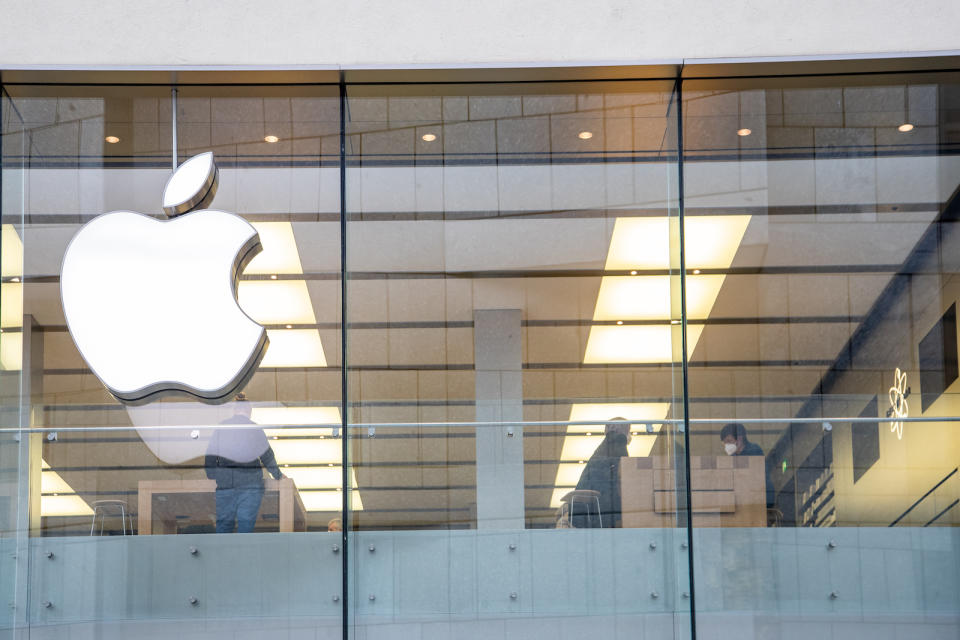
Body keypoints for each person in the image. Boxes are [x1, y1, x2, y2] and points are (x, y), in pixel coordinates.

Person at [204, 393, 283, 533]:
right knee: (245, 526)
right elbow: (267, 455)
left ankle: (222, 554)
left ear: (234, 411)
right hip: (250, 483)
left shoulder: (222, 427)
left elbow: (210, 455)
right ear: (249, 412)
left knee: (224, 525)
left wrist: (214, 475)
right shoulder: (254, 428)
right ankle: (243, 553)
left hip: (226, 484)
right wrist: (278, 475)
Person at [573, 418, 631, 528]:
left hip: (588, 510)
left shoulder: (602, 449)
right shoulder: (618, 443)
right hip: (605, 510)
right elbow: (622, 476)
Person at [719, 422, 774, 510]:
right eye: (724, 443)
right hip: (747, 500)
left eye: (729, 441)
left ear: (740, 439)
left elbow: (750, 478)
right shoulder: (734, 457)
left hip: (762, 498)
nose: (727, 446)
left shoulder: (753, 451)